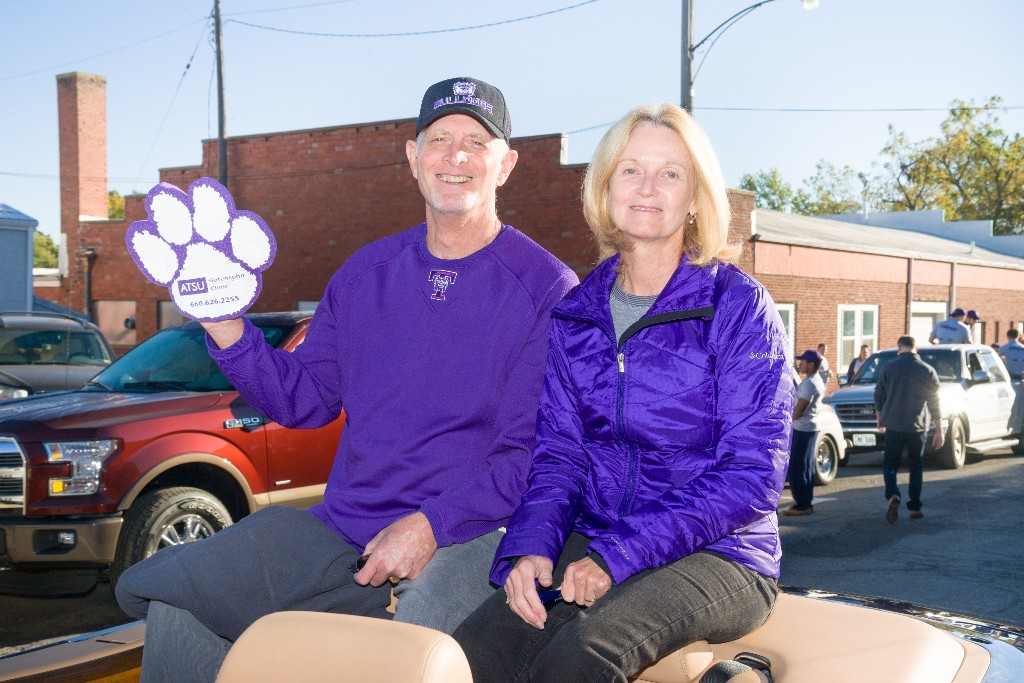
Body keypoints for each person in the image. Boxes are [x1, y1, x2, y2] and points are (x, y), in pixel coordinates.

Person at [114, 76, 578, 683]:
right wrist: (225, 324)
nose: (456, 156)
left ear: (506, 164)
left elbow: (535, 458)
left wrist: (431, 525)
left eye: (476, 141)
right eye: (439, 139)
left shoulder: (546, 289)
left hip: (471, 533)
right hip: (343, 528)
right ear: (413, 158)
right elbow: (301, 400)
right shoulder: (366, 274)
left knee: (401, 657)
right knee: (181, 598)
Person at [452, 103, 792, 682]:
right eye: (630, 170)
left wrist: (619, 555)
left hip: (721, 553)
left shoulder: (736, 306)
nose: (648, 188)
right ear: (605, 189)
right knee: (475, 653)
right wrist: (532, 546)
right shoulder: (575, 315)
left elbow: (751, 475)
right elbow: (560, 456)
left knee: (581, 655)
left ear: (694, 198)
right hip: (600, 538)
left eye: (671, 173)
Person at [875, 335, 944, 523]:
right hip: (917, 426)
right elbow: (935, 402)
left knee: (890, 464)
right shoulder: (927, 370)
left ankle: (893, 495)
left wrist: (880, 419)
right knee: (916, 466)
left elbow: (879, 394)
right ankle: (914, 507)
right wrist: (939, 430)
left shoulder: (888, 368)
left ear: (899, 348)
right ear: (916, 349)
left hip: (894, 425)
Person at [784, 349, 826, 516]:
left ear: (811, 364)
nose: (799, 364)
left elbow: (799, 410)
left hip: (802, 429)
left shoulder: (810, 384)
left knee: (797, 467)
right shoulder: (813, 380)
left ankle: (802, 505)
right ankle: (806, 503)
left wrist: (784, 423)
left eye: (802, 361)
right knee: (806, 467)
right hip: (809, 428)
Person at [999, 328, 1024, 433]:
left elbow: (997, 359)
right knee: (1019, 407)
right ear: (1018, 336)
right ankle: (1016, 428)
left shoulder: (1005, 347)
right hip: (1021, 381)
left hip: (1008, 380)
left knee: (1006, 405)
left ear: (1008, 336)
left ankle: (1006, 427)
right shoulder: (1023, 348)